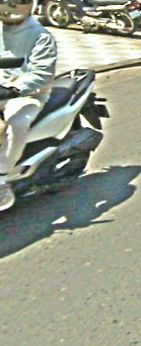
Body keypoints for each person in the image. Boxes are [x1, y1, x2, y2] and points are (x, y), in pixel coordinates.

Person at [0, 0, 57, 211]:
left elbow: (41, 73)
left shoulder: (41, 36)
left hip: (27, 94)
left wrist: (15, 89)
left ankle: (2, 180)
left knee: (16, 122)